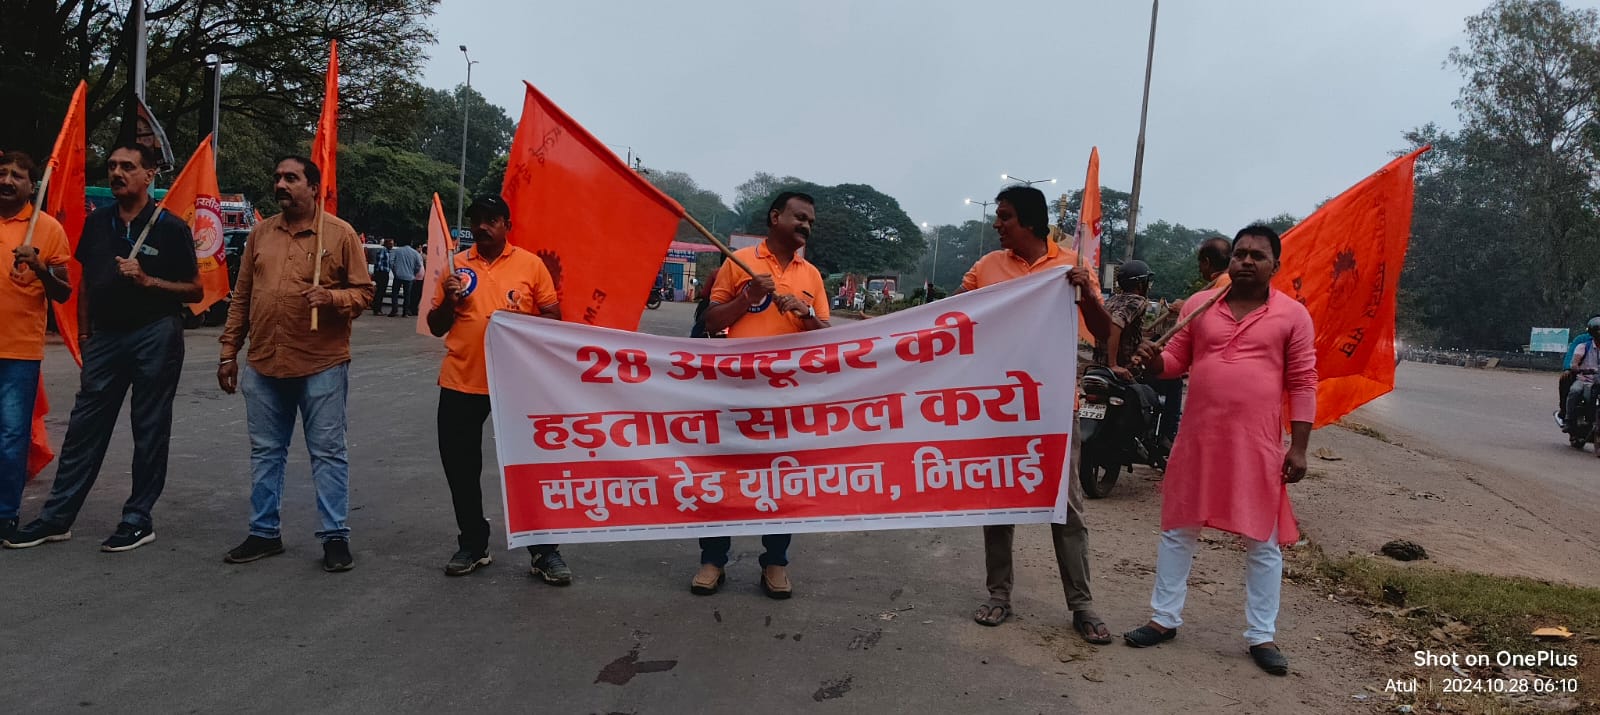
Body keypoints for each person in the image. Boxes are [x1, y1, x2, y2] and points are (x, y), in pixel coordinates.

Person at [1123, 224, 1317, 677]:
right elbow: (1174, 365)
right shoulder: (1199, 307)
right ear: (1229, 262)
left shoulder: (1292, 316)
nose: (1247, 261)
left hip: (1259, 445)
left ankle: (1261, 636)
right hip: (1199, 439)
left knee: (1262, 541)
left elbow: (1304, 381)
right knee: (1178, 530)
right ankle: (1163, 619)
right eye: (1240, 254)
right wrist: (1153, 358)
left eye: (1258, 255)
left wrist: (1301, 447)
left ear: (1276, 265)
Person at [7, 144, 200, 552]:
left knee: (148, 428)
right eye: (112, 166)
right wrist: (85, 337)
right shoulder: (98, 225)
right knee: (83, 429)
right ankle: (56, 517)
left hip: (155, 333)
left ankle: (136, 518)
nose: (117, 173)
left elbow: (196, 289)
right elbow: (87, 285)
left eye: (128, 167)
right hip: (106, 338)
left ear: (150, 175)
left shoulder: (169, 226)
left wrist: (150, 282)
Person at [959, 185, 1114, 644]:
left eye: (1004, 216)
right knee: (998, 502)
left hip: (1052, 408)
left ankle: (1082, 605)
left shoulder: (1071, 266)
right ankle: (999, 595)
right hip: (997, 407)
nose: (996, 223)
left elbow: (1104, 333)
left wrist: (1086, 292)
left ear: (1028, 220)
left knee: (1066, 507)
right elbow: (949, 318)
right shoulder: (986, 268)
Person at [218, 156, 374, 572]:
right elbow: (242, 297)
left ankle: (335, 537)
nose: (282, 185)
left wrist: (333, 298)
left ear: (313, 187)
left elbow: (364, 293)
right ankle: (264, 532)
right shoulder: (259, 234)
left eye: (292, 178)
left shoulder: (339, 235)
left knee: (328, 452)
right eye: (278, 178)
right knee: (266, 452)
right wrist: (228, 352)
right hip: (265, 362)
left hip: (321, 363)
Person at [427, 195, 574, 582]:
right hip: (462, 380)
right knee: (461, 468)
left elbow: (553, 317)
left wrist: (515, 325)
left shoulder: (530, 265)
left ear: (507, 224)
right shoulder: (456, 266)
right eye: (476, 220)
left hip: (516, 384)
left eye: (491, 219)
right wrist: (451, 300)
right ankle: (473, 544)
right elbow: (437, 323)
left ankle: (544, 551)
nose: (482, 227)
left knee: (529, 468)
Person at [694, 191, 831, 599]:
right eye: (799, 217)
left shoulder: (813, 276)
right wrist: (746, 298)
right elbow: (709, 323)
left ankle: (775, 562)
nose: (805, 226)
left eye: (810, 221)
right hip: (736, 391)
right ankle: (712, 560)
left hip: (788, 397)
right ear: (775, 218)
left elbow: (832, 339)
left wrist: (806, 315)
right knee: (724, 477)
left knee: (782, 480)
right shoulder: (742, 264)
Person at [0, 151, 72, 545]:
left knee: (11, 438)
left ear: (32, 186)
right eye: (2, 173)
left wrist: (41, 267)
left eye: (17, 175)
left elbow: (64, 293)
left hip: (18, 353)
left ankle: (5, 515)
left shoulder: (46, 229)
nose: (7, 180)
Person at [1556, 315, 1600, 426]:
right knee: (1571, 387)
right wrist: (1568, 368)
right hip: (1584, 378)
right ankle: (1566, 414)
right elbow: (1572, 355)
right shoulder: (1582, 341)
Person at [388, 238, 422, 317]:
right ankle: (405, 312)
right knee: (407, 295)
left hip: (398, 275)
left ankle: (394, 310)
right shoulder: (414, 253)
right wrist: (414, 273)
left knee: (395, 294)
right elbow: (418, 265)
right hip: (409, 277)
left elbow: (391, 262)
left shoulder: (397, 251)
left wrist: (395, 271)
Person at [689, 262, 722, 339]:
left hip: (712, 305)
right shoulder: (739, 272)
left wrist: (700, 294)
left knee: (697, 330)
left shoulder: (715, 272)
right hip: (733, 306)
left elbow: (705, 293)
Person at [372, 238, 392, 316]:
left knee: (382, 291)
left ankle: (378, 309)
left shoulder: (387, 251)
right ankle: (377, 309)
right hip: (382, 273)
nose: (391, 245)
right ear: (386, 244)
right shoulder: (383, 250)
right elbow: (379, 262)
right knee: (380, 291)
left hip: (385, 273)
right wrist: (378, 273)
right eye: (390, 244)